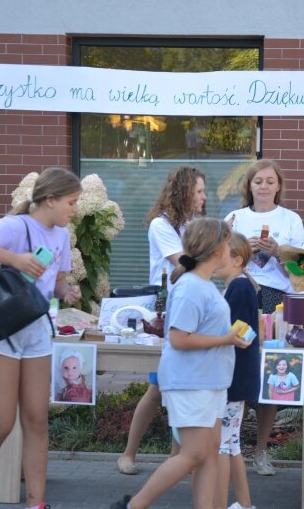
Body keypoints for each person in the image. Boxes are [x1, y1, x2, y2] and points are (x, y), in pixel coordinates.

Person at [0, 167, 82, 509]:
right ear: (49, 199)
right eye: (71, 202)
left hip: (37, 328)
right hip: (3, 328)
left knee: (37, 418)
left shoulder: (62, 236)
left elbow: (56, 281)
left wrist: (67, 291)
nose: (74, 209)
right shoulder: (18, 225)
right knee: (1, 420)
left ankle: (36, 503)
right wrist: (16, 260)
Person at [113, 218, 253, 509]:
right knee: (192, 454)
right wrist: (226, 339)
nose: (230, 249)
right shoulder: (191, 287)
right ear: (216, 249)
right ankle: (133, 505)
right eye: (227, 243)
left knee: (209, 452)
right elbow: (178, 338)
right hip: (192, 383)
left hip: (211, 382)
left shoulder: (203, 285)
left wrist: (226, 339)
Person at [117, 165, 207, 475]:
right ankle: (128, 453)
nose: (203, 197)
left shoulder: (196, 223)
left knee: (183, 385)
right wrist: (215, 245)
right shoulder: (161, 224)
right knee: (158, 386)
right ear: (184, 193)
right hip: (167, 308)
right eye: (198, 191)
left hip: (192, 307)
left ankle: (175, 460)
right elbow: (182, 262)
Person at [225, 158, 304, 476]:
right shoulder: (235, 218)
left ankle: (261, 451)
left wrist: (277, 252)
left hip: (277, 301)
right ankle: (231, 448)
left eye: (270, 181)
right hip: (243, 294)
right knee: (239, 371)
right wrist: (244, 257)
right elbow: (221, 261)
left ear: (279, 186)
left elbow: (301, 271)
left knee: (271, 375)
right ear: (249, 185)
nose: (263, 186)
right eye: (258, 180)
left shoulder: (291, 219)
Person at [213, 232, 261, 509]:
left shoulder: (239, 288)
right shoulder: (237, 287)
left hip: (232, 379)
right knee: (231, 444)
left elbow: (239, 335)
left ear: (237, 259)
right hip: (235, 378)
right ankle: (244, 503)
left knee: (222, 444)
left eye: (220, 255)